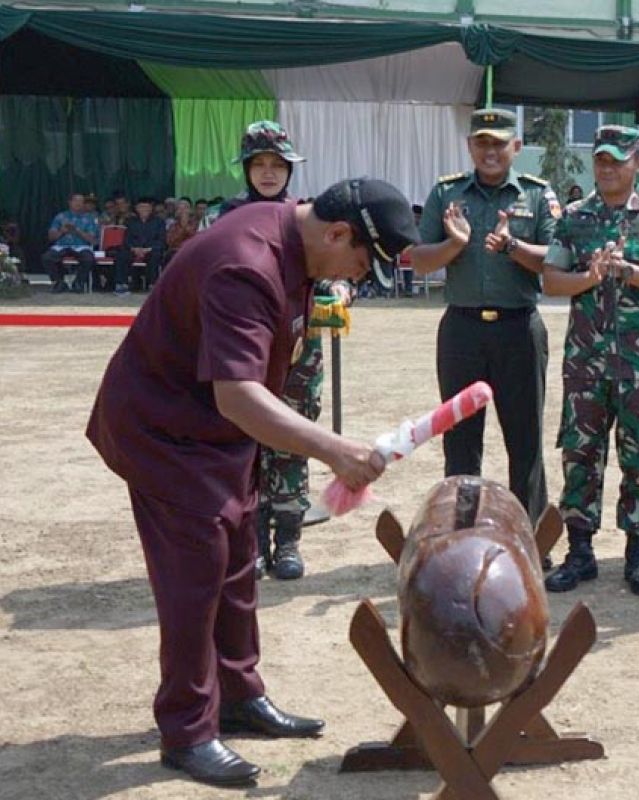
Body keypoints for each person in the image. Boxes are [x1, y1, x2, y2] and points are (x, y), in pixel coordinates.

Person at [86, 178, 419, 787]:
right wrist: (335, 451)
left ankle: (238, 694)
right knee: (196, 574)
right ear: (339, 233)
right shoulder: (245, 267)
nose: (353, 278)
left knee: (237, 558)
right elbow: (238, 395)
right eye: (361, 266)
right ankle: (187, 728)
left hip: (214, 432)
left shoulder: (294, 239)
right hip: (166, 432)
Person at [541, 125, 639, 597]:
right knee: (579, 456)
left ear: (638, 162)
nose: (607, 168)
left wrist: (627, 271)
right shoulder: (574, 217)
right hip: (586, 362)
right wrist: (591, 275)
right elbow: (551, 281)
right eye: (601, 159)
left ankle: (638, 554)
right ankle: (579, 552)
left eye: (617, 160)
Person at [410, 108, 559, 540]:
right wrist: (455, 243)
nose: (490, 151)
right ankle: (461, 536)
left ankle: (531, 540)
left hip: (519, 329)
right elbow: (419, 261)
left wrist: (512, 246)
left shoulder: (536, 194)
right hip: (462, 330)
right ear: (470, 146)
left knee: (525, 440)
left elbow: (556, 260)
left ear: (516, 147)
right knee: (460, 439)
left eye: (499, 143)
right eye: (482, 143)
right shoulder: (446, 194)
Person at [219, 120, 329, 580]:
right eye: (259, 164)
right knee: (244, 446)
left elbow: (329, 271)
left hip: (299, 350)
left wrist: (335, 292)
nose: (268, 173)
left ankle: (287, 541)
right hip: (245, 346)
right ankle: (251, 544)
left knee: (292, 442)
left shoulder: (307, 217)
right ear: (246, 169)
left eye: (277, 164)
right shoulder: (227, 217)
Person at [41, 192, 98, 294]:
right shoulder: (60, 217)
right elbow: (51, 237)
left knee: (89, 259)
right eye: (76, 201)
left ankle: (78, 283)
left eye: (81, 201)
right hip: (62, 245)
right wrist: (62, 231)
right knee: (47, 257)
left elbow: (92, 240)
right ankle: (59, 282)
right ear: (70, 202)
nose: (78, 203)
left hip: (81, 246)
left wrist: (77, 231)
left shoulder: (89, 218)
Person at [113, 196, 167, 295]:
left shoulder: (159, 222)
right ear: (137, 209)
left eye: (147, 208)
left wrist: (148, 249)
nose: (144, 210)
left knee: (156, 255)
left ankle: (152, 285)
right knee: (122, 255)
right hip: (134, 249)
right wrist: (134, 249)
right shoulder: (130, 221)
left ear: (151, 209)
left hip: (151, 249)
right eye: (141, 207)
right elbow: (127, 239)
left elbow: (161, 240)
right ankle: (121, 284)